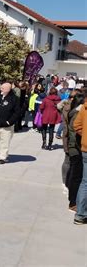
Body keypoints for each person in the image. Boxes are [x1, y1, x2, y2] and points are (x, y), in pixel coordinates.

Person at [66, 92, 85, 212]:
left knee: (75, 174)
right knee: (77, 176)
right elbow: (74, 131)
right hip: (76, 147)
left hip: (74, 146)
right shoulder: (77, 113)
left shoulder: (74, 111)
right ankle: (73, 202)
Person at [73, 89, 87, 225]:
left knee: (85, 182)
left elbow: (76, 125)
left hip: (85, 148)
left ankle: (80, 214)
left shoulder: (84, 107)